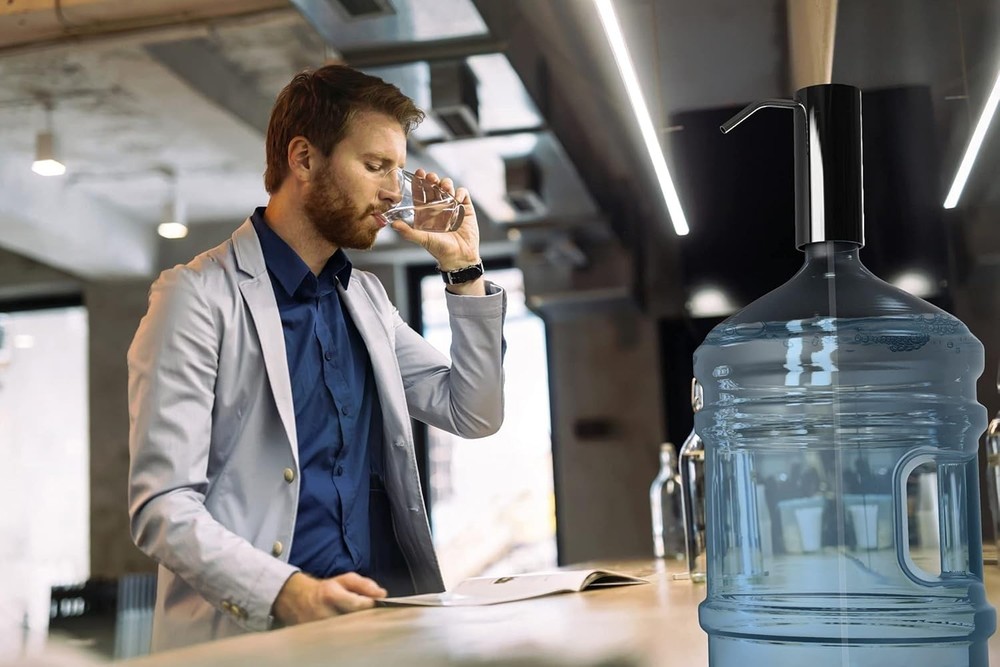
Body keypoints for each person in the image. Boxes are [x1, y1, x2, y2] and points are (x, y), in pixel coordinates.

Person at [126, 64, 506, 652]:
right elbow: (162, 505)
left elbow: (474, 412)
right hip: (257, 640)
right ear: (303, 159)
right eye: (376, 166)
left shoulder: (365, 299)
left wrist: (464, 269)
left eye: (398, 170)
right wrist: (287, 592)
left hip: (381, 629)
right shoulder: (195, 296)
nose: (392, 192)